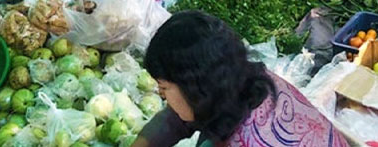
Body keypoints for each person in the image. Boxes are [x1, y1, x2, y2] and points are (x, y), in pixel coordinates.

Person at [132, 11, 349, 147]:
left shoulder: (247, 140)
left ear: (194, 89)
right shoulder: (241, 81)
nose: (160, 94)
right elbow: (177, 117)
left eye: (163, 87)